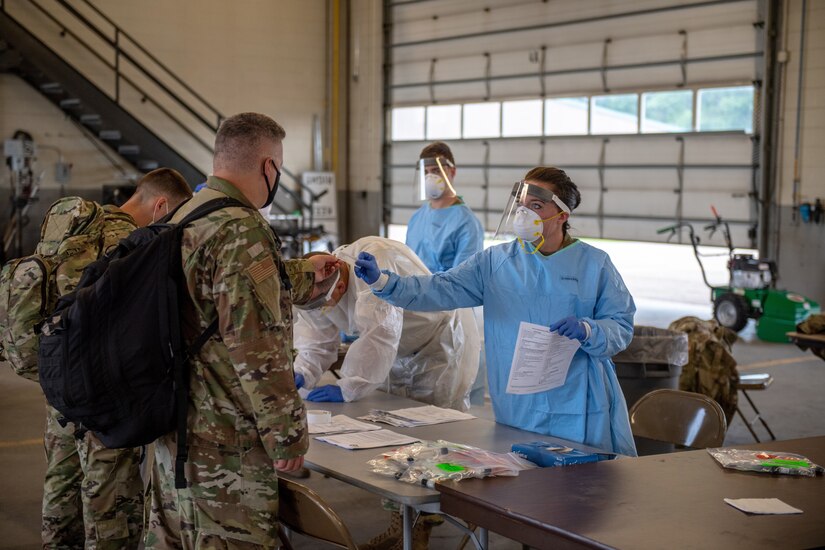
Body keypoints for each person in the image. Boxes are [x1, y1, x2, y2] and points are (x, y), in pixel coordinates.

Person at [144, 113, 338, 548]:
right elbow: (257, 346)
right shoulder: (243, 229)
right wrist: (286, 434)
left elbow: (214, 295)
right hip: (224, 445)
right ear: (269, 167)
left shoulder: (184, 215)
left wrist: (303, 274)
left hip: (172, 431)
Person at [355, 166, 637, 457]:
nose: (524, 214)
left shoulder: (594, 264)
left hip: (579, 404)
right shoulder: (496, 263)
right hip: (518, 406)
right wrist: (384, 281)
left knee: (584, 492)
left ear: (562, 216)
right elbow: (439, 288)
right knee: (525, 492)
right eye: (521, 206)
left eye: (536, 206)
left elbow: (621, 325)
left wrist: (591, 330)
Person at [42, 168, 193, 549]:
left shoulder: (72, 227)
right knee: (112, 514)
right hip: (105, 401)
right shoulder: (130, 243)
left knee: (60, 497)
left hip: (59, 392)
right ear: (161, 206)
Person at [293, 236, 480, 412]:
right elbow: (316, 335)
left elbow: (381, 333)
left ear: (341, 287)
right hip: (398, 350)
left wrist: (351, 386)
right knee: (395, 417)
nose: (318, 311)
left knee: (437, 420)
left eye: (318, 306)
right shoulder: (317, 284)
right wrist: (304, 370)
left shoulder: (372, 267)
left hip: (439, 342)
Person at [406, 141, 484, 273]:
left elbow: (463, 281)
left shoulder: (467, 224)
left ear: (452, 172)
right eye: (425, 172)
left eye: (436, 170)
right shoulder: (416, 218)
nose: (429, 178)